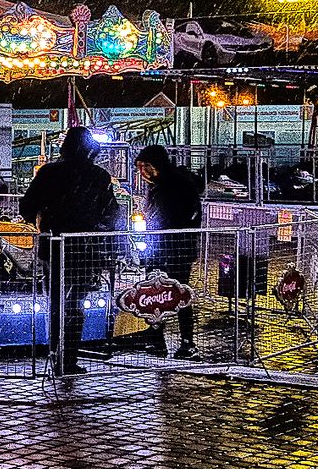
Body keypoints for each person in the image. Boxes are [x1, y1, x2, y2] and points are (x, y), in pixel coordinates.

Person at [19, 127, 120, 375]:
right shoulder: (98, 177)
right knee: (75, 304)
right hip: (84, 249)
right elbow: (112, 213)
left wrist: (44, 220)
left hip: (52, 245)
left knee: (54, 302)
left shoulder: (49, 173)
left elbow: (26, 206)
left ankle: (55, 352)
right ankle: (69, 356)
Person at [135, 144, 204, 358]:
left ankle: (186, 341)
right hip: (159, 250)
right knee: (155, 295)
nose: (143, 171)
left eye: (147, 166)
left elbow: (182, 218)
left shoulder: (177, 186)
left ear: (159, 165)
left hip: (175, 249)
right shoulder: (158, 187)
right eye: (140, 166)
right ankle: (157, 339)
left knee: (180, 293)